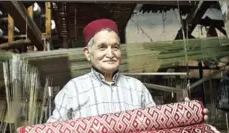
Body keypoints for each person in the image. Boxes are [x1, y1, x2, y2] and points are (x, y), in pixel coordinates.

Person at [47, 18, 208, 122]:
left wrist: (186, 117)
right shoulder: (73, 90)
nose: (110, 54)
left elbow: (157, 125)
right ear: (88, 54)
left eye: (115, 47)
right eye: (102, 47)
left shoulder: (137, 88)